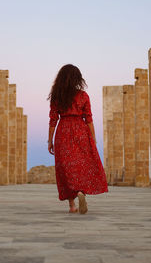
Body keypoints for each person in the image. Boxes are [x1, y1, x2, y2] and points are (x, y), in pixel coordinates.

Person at [47, 64, 108, 214]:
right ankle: (81, 192)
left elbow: (53, 120)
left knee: (66, 168)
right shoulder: (83, 96)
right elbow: (89, 118)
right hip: (81, 130)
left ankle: (72, 205)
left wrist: (50, 141)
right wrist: (93, 137)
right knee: (82, 165)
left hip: (63, 131)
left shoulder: (57, 97)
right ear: (77, 78)